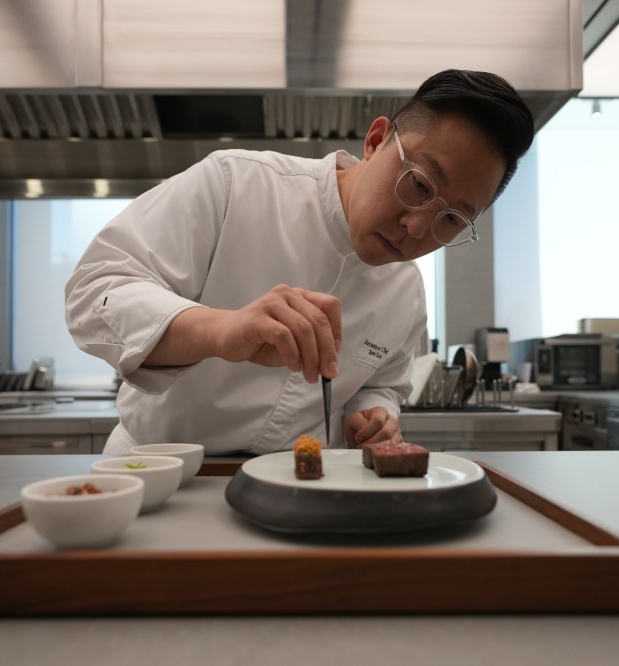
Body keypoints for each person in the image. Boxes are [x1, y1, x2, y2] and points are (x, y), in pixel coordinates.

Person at [65, 69, 534, 456]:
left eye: (451, 220)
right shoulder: (236, 183)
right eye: (419, 184)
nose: (416, 228)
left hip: (301, 485)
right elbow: (95, 292)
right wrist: (221, 330)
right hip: (164, 474)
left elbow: (384, 384)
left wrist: (374, 415)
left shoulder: (406, 290)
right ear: (376, 141)